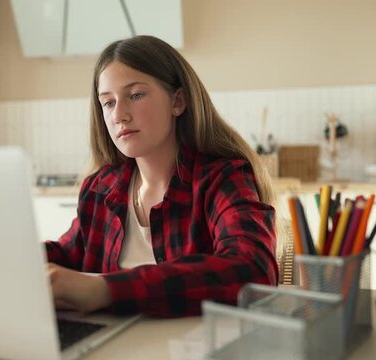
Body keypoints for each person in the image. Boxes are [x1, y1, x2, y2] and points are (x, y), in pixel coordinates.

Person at [46, 35, 278, 318]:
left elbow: (253, 271)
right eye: (108, 103)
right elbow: (68, 254)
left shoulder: (222, 178)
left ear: (177, 101)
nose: (119, 115)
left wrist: (103, 289)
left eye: (135, 95)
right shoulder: (100, 188)